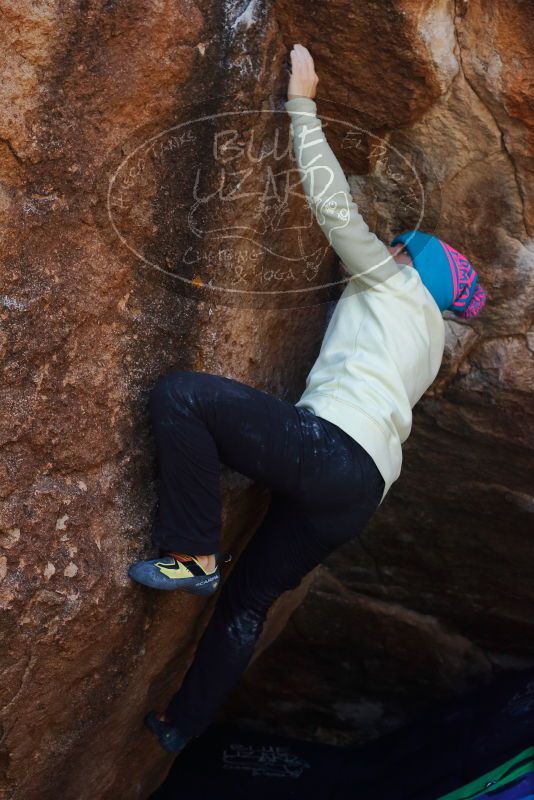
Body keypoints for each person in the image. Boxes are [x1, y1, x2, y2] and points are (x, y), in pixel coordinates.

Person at [128, 43, 487, 754]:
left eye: (394, 244)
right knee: (250, 601)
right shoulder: (426, 340)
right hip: (360, 494)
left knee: (182, 397)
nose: (383, 245)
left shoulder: (394, 282)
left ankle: (192, 553)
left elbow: (331, 205)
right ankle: (180, 726)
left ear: (408, 261)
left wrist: (302, 100)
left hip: (331, 450)